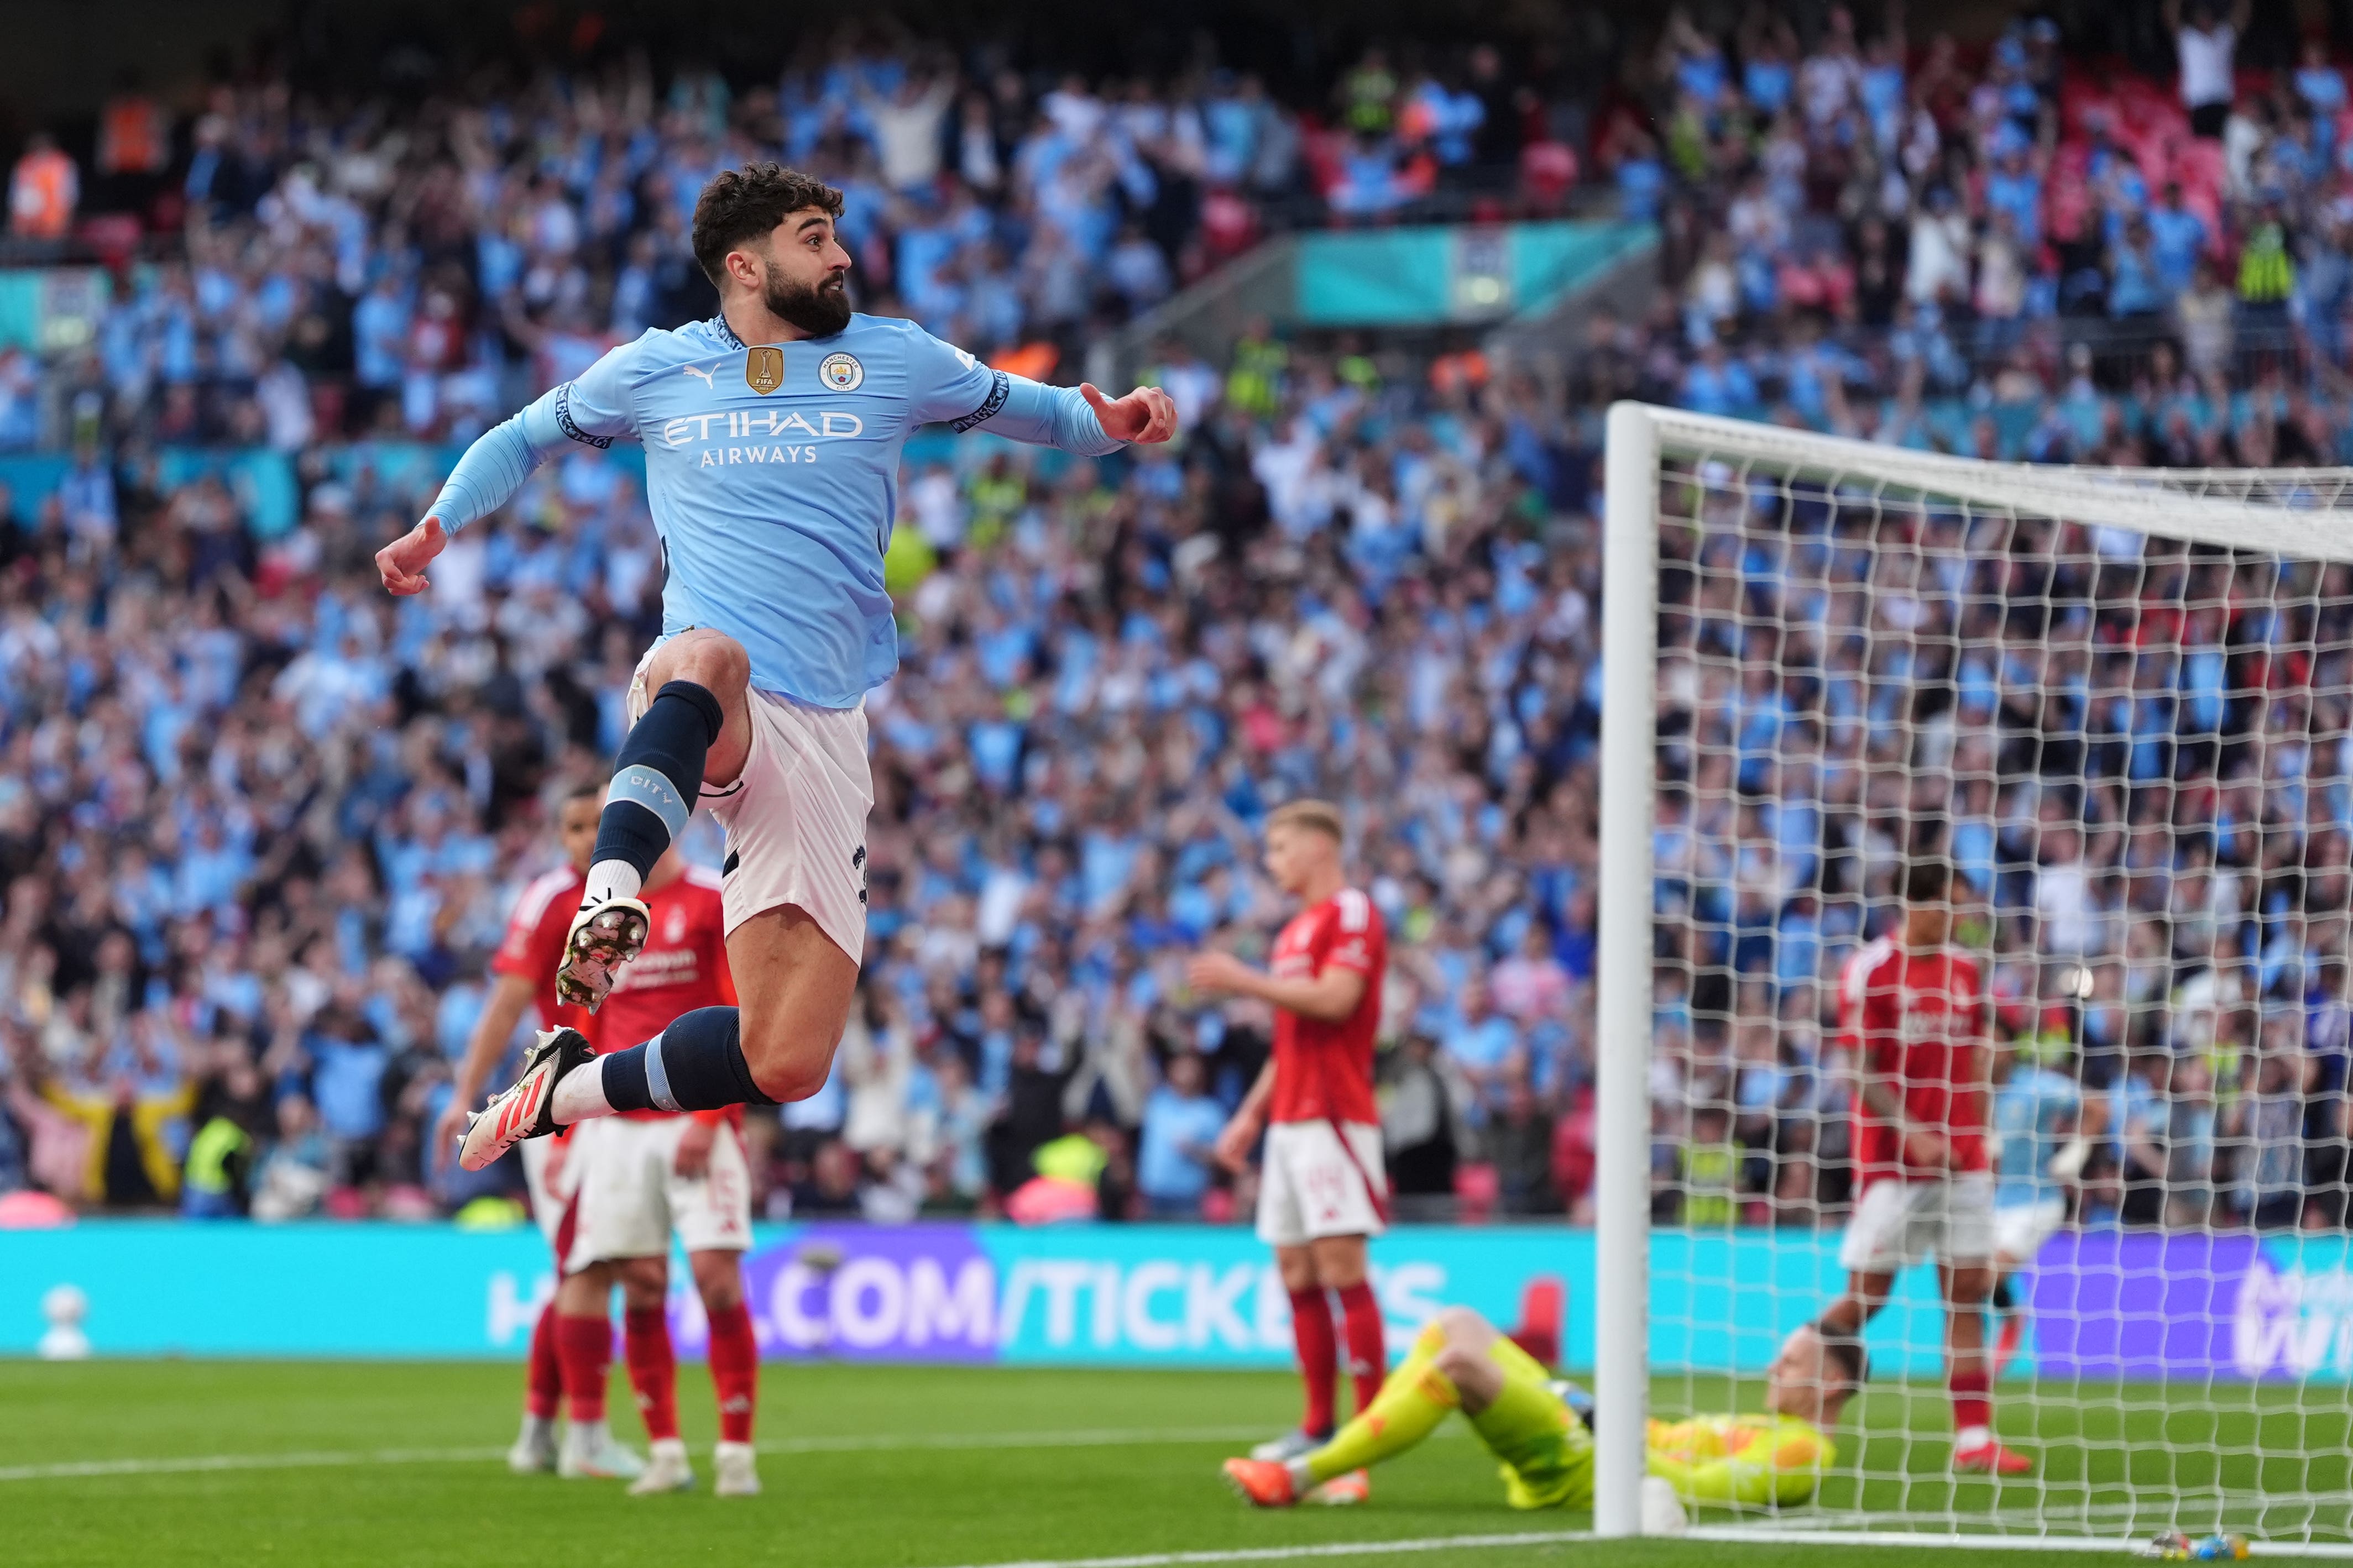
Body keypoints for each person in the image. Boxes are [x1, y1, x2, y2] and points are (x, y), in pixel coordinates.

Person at [389, 162, 1178, 1173]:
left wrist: (1113, 420)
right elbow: (522, 437)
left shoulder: (896, 356)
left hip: (826, 726)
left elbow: (1049, 413)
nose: (841, 255)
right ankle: (611, 891)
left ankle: (563, 1087)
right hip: (705, 696)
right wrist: (438, 524)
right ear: (745, 264)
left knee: (787, 1058)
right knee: (710, 654)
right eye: (815, 238)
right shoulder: (656, 368)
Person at [1186, 799, 1389, 1463]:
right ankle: (1317, 1426)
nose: (1271, 862)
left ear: (1317, 847)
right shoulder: (1293, 931)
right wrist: (1250, 1114)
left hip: (1333, 1114)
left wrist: (1244, 980)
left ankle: (1367, 1433)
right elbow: (1291, 1039)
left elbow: (1336, 999)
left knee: (1340, 1266)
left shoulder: (1350, 912)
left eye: (1279, 848)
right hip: (1289, 1120)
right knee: (1295, 1269)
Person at [555, 845, 761, 1497]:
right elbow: (585, 1019)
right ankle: (665, 1451)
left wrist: (713, 1116)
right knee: (641, 1285)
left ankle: (736, 1453)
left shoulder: (709, 900)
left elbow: (743, 1015)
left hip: (695, 1115)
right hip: (617, 1123)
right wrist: (567, 1127)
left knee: (716, 1280)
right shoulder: (604, 916)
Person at [1818, 859, 2032, 1475]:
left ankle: (1973, 1439)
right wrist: (1910, 1130)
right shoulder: (1871, 970)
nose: (1958, 916)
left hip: (1961, 1159)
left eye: (1962, 904)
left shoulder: (1966, 970)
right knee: (1867, 1297)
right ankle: (1794, 1383)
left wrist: (1985, 1137)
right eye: (1948, 904)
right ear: (1914, 904)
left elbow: (1975, 1060)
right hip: (1892, 1163)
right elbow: (1859, 1067)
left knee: (1965, 1294)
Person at [1220, 1307, 1852, 1511]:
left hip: (1594, 1467)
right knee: (1456, 1324)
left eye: (1789, 1362)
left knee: (1459, 1366)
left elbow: (1698, 1490)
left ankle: (1298, 1476)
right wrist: (1599, 1412)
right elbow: (1672, 1442)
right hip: (1597, 1435)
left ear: (1831, 1383)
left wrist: (1606, 1426)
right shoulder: (1764, 1425)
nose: (1772, 1368)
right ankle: (1347, 1465)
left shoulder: (1804, 1450)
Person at [436, 784, 619, 1477]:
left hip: (627, 1101)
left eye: (598, 822)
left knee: (585, 1264)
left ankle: (540, 1431)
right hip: (564, 1103)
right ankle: (579, 1436)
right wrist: (463, 1094)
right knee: (584, 1263)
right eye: (574, 826)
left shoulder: (648, 894)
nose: (587, 837)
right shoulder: (550, 900)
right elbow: (508, 1001)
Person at [1987, 1037, 2081, 1375]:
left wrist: (2077, 1152)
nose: (1984, 1051)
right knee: (1965, 1280)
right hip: (1994, 1203)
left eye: (1992, 1043)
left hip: (2037, 1202)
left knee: (1985, 1277)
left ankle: (2012, 1320)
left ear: (2010, 1049)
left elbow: (2098, 1107)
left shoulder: (2037, 1087)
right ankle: (2005, 1322)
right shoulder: (1969, 1090)